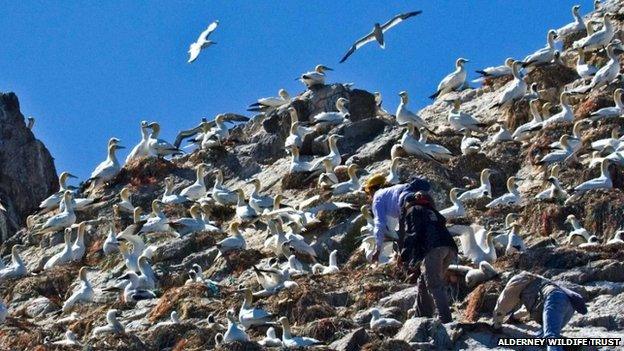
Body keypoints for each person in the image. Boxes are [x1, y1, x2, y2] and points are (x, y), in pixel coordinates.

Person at [493, 271, 587, 351]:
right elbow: (526, 309)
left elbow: (502, 303)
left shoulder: (516, 281)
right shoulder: (535, 281)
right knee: (541, 337)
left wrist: (497, 325)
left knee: (550, 336)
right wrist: (513, 317)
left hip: (553, 299)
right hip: (569, 304)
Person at [402, 191, 458, 323]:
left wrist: (404, 256)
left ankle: (445, 321)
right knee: (423, 280)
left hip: (434, 249)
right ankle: (422, 316)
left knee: (434, 284)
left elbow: (413, 234)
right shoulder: (430, 210)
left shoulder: (413, 210)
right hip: (449, 248)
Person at [363, 175, 432, 262]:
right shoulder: (393, 189)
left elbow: (379, 223)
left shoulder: (377, 197)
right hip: (423, 197)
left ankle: (410, 262)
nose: (369, 196)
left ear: (372, 190)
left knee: (408, 238)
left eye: (368, 193)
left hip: (407, 202)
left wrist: (378, 249)